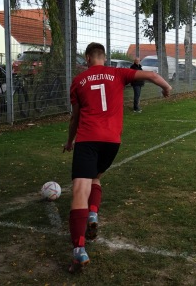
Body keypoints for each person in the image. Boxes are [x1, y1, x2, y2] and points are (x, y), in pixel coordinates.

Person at [63, 43, 172, 272]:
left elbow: (75, 118)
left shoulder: (78, 81)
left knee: (80, 190)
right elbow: (151, 75)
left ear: (87, 57)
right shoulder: (117, 73)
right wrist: (166, 88)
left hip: (87, 139)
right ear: (104, 57)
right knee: (96, 178)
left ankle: (79, 251)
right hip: (111, 142)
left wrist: (70, 141)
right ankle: (93, 214)